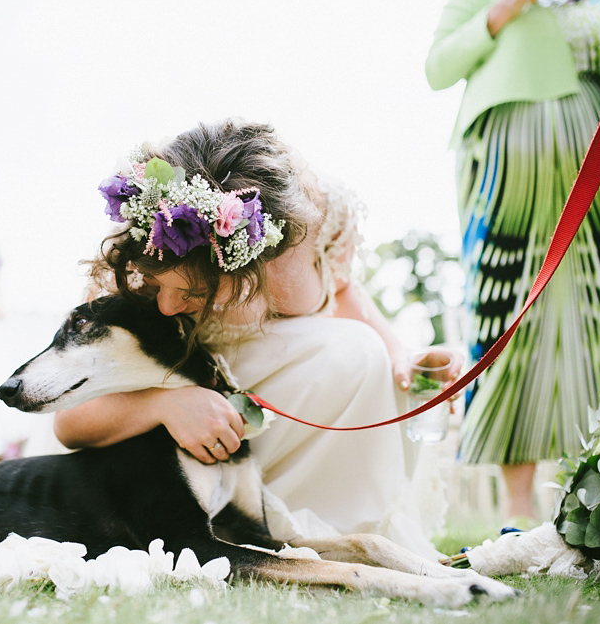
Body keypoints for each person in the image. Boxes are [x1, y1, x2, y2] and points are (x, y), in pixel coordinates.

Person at [52, 120, 457, 560]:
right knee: (350, 352)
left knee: (359, 351)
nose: (166, 307)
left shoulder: (318, 219)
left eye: (193, 294)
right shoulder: (151, 238)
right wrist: (162, 404)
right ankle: (230, 522)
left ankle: (328, 529)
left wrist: (401, 353)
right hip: (171, 439)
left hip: (273, 410)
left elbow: (341, 288)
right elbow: (68, 422)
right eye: (155, 285)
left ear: (251, 264)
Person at [425, 0, 600, 523]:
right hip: (509, 180)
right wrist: (506, 6)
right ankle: (517, 512)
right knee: (512, 318)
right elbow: (437, 67)